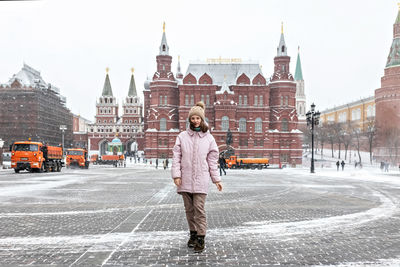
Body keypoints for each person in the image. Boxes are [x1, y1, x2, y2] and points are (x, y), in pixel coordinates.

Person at [171, 101, 222, 253]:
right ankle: (193, 234)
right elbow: (176, 158)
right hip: (185, 179)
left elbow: (213, 161)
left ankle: (201, 237)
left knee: (199, 209)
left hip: (201, 180)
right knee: (189, 210)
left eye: (197, 118)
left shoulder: (209, 138)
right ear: (189, 120)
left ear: (202, 119)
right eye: (192, 118)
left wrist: (217, 179)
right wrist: (176, 175)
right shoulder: (182, 136)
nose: (195, 121)